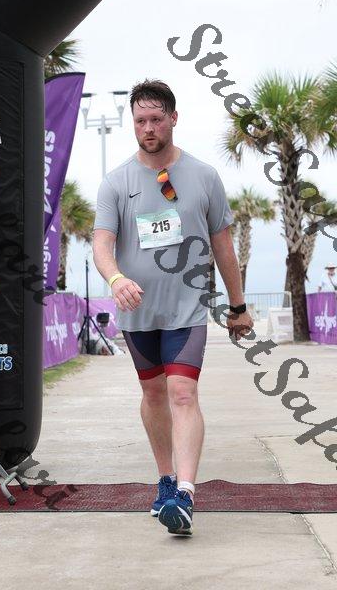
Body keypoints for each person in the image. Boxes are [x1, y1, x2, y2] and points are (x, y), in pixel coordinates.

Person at [92, 79, 254, 536]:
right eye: (140, 120)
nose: (148, 128)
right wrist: (116, 279)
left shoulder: (204, 176)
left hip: (188, 309)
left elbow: (223, 247)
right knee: (153, 395)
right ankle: (164, 478)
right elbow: (102, 244)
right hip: (138, 314)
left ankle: (184, 492)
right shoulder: (116, 182)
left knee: (183, 393)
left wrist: (238, 306)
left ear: (173, 119)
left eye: (156, 119)